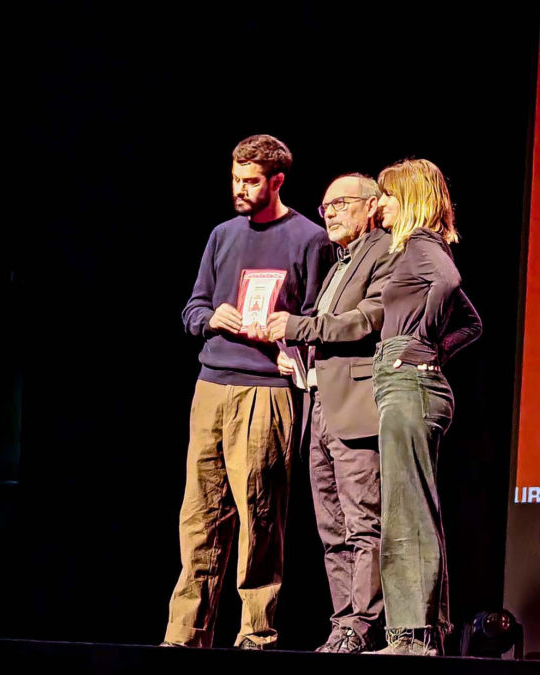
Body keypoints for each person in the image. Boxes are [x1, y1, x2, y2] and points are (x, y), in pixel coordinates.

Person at [163, 134, 334, 650]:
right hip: (212, 384)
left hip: (266, 390)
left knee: (259, 516)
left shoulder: (310, 238)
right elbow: (192, 308)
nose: (240, 188)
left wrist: (295, 349)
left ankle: (255, 637)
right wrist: (209, 317)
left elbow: (322, 321)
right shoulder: (222, 234)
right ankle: (183, 636)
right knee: (198, 515)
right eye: (236, 178)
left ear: (277, 180)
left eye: (251, 181)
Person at [265, 173, 398, 653]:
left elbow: (368, 320)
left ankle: (363, 625)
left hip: (357, 408)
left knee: (364, 523)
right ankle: (343, 623)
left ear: (370, 206)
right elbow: (331, 335)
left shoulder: (385, 251)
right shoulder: (340, 262)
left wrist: (301, 327)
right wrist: (301, 361)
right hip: (320, 404)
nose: (331, 213)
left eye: (341, 203)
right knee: (331, 529)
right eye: (325, 208)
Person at [371, 158, 482, 656]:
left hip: (408, 385)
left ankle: (411, 638)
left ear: (410, 199)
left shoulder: (420, 245)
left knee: (405, 511)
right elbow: (473, 324)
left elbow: (450, 283)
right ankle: (424, 634)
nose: (381, 205)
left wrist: (417, 337)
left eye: (388, 196)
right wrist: (437, 344)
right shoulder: (422, 247)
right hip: (416, 383)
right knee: (415, 510)